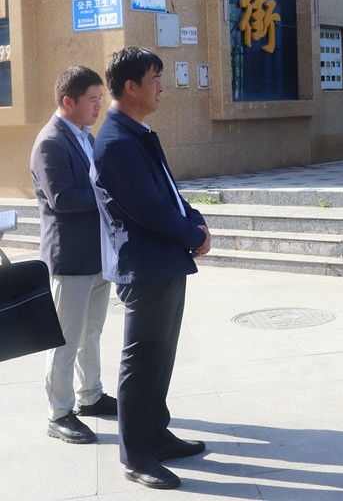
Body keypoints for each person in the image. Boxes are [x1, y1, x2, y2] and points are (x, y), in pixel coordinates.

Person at [91, 47, 212, 490]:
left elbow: (168, 193)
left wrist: (195, 219)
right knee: (141, 362)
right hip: (144, 266)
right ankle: (136, 454)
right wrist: (192, 234)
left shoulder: (136, 133)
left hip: (163, 261)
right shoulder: (116, 143)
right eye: (154, 77)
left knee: (160, 358)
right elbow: (148, 210)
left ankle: (156, 434)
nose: (161, 86)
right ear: (131, 87)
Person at [30, 66, 116, 445]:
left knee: (91, 332)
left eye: (100, 99)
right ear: (69, 101)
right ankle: (59, 412)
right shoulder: (50, 142)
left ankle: (90, 395)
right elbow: (62, 198)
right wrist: (109, 195)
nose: (99, 107)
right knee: (65, 339)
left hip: (96, 254)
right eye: (92, 100)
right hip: (69, 259)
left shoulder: (85, 136)